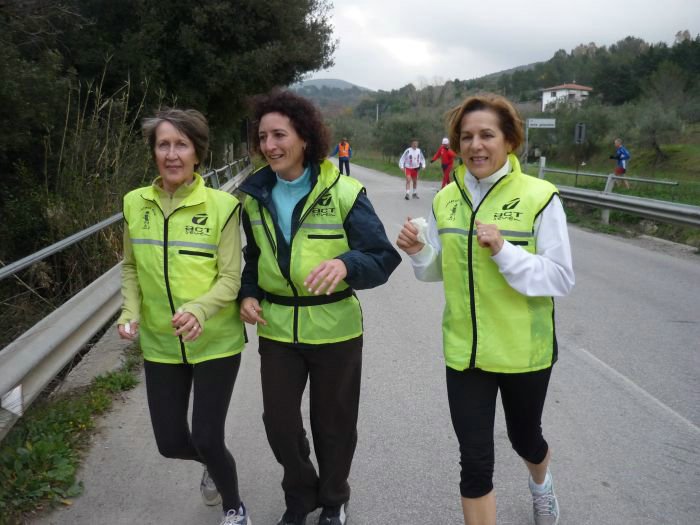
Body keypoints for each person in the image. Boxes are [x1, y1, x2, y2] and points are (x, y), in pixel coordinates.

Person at [396, 93, 574, 525]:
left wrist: (503, 251)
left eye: (487, 135)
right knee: (474, 462)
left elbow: (559, 277)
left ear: (509, 140)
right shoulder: (446, 199)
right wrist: (419, 252)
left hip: (523, 352)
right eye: (466, 136)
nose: (475, 145)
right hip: (465, 353)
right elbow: (440, 270)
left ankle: (541, 483)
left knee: (525, 439)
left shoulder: (540, 196)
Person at [238, 89, 401, 525]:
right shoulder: (254, 196)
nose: (270, 145)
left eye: (279, 135)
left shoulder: (345, 192)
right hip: (278, 329)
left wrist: (346, 264)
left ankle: (333, 499)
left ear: (305, 137)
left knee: (334, 424)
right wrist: (248, 293)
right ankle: (301, 493)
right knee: (279, 423)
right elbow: (253, 258)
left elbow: (382, 258)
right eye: (263, 137)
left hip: (336, 329)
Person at [117, 108, 250, 525]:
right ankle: (213, 461)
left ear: (198, 153)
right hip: (160, 342)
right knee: (170, 443)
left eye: (181, 145)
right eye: (163, 145)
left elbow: (231, 278)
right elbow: (130, 267)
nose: (171, 154)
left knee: (207, 435)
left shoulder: (223, 206)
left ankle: (234, 506)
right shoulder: (134, 203)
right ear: (153, 152)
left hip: (216, 342)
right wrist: (130, 310)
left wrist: (198, 308)